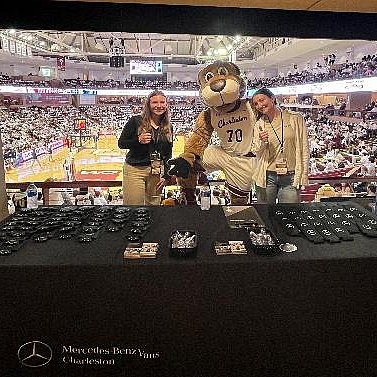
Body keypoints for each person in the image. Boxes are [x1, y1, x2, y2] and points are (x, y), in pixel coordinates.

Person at [251, 88, 309, 204]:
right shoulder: (259, 124)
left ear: (272, 99)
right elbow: (255, 150)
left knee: (290, 215)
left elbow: (304, 148)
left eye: (262, 100)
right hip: (267, 176)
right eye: (256, 104)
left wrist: (303, 175)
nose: (259, 105)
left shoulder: (295, 118)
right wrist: (262, 141)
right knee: (266, 215)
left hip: (291, 176)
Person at [118, 90, 174, 205]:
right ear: (148, 105)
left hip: (156, 171)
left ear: (166, 105)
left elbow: (168, 153)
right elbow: (121, 143)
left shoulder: (168, 126)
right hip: (135, 170)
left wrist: (167, 175)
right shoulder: (135, 121)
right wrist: (138, 140)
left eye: (162, 102)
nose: (159, 106)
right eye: (155, 102)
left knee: (154, 207)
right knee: (133, 207)